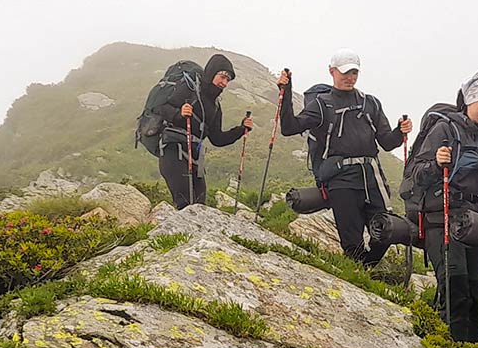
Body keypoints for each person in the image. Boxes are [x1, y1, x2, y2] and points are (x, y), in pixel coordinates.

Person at [277, 51, 412, 266]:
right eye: (345, 72)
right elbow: (289, 128)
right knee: (351, 242)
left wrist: (399, 131)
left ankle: (365, 268)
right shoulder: (322, 104)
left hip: (371, 177)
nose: (350, 77)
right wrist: (285, 91)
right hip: (340, 181)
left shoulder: (371, 104)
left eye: (354, 72)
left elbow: (387, 142)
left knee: (387, 229)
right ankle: (359, 274)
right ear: (332, 71)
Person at [403, 69, 478, 342]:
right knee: (455, 290)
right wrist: (436, 163)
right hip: (443, 218)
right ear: (471, 101)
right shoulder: (444, 130)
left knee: (477, 297)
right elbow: (414, 177)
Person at [156, 53, 253, 209]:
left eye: (228, 80)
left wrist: (241, 129)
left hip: (196, 157)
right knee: (184, 203)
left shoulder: (215, 106)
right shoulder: (189, 89)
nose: (225, 83)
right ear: (211, 72)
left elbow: (217, 138)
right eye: (222, 76)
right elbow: (160, 107)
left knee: (200, 206)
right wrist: (178, 114)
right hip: (173, 151)